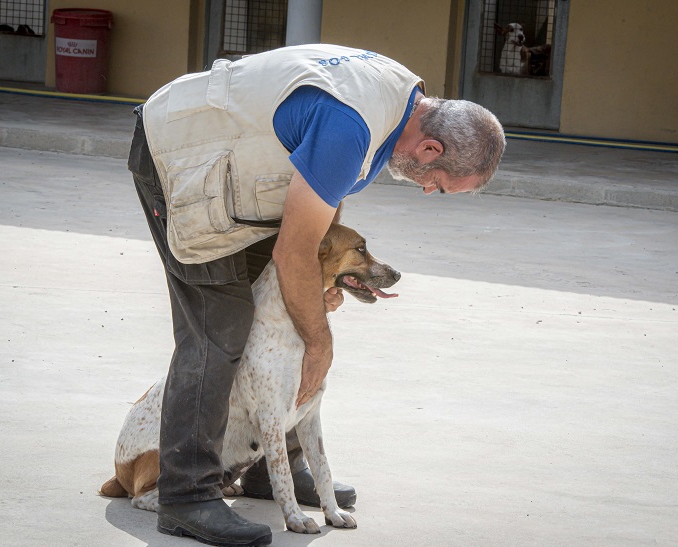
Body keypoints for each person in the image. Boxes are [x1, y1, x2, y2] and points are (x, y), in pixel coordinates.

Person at [127, 44, 505, 547]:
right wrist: (321, 343)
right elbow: (294, 253)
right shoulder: (352, 124)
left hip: (245, 175)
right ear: (431, 149)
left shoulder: (401, 103)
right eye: (439, 183)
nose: (429, 191)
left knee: (282, 320)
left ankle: (269, 468)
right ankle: (186, 495)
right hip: (183, 157)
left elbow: (324, 213)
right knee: (218, 329)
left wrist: (320, 285)